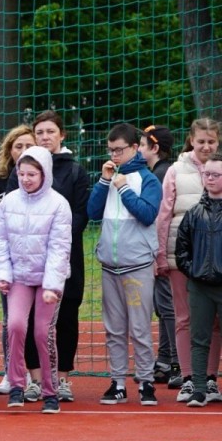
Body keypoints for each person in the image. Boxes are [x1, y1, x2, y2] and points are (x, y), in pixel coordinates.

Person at [4, 111, 90, 403]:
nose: (44, 137)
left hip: (62, 257)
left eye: (50, 131)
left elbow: (79, 214)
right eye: (39, 132)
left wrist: (55, 234)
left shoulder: (75, 171)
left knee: (63, 319)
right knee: (23, 322)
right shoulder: (24, 171)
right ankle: (34, 378)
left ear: (61, 134)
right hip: (25, 265)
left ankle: (61, 377)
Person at [0, 146, 72, 414]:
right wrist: (2, 275)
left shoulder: (59, 204)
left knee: (42, 332)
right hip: (19, 277)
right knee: (15, 325)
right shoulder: (9, 201)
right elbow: (0, 242)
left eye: (32, 174)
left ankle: (50, 391)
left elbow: (60, 249)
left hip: (47, 279)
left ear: (44, 174)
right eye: (22, 173)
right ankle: (17, 385)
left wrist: (52, 286)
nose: (26, 179)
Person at [88, 123, 161, 406]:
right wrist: (105, 182)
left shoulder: (148, 179)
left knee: (140, 327)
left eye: (119, 150)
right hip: (110, 266)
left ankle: (146, 382)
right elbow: (93, 212)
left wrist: (124, 189)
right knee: (114, 328)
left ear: (134, 148)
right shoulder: (110, 178)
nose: (114, 155)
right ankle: (117, 382)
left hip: (138, 266)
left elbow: (147, 214)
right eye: (111, 150)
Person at [156, 117, 222, 401]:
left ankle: (208, 378)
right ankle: (187, 377)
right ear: (191, 141)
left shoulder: (219, 169)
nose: (206, 146)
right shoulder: (175, 170)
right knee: (184, 318)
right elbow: (164, 213)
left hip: (217, 260)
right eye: (201, 141)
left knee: (215, 321)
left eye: (211, 141)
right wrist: (161, 254)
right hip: (182, 256)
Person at [0, 124, 37, 395]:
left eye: (29, 146)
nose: (23, 151)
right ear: (9, 150)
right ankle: (12, 372)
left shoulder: (42, 183)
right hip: (10, 263)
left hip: (38, 263)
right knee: (12, 321)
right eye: (18, 146)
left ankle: (40, 376)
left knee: (38, 324)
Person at [174, 152, 222, 407]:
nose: (210, 178)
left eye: (216, 174)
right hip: (200, 286)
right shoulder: (193, 213)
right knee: (199, 338)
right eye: (207, 174)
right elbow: (181, 248)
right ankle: (200, 390)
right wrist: (193, 270)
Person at [140, 125, 178, 383]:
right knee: (163, 307)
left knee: (168, 307)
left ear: (155, 148)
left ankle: (176, 362)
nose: (139, 149)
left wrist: (159, 253)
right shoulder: (158, 172)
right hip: (161, 248)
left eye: (142, 145)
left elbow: (161, 218)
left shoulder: (161, 175)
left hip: (164, 250)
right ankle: (165, 359)